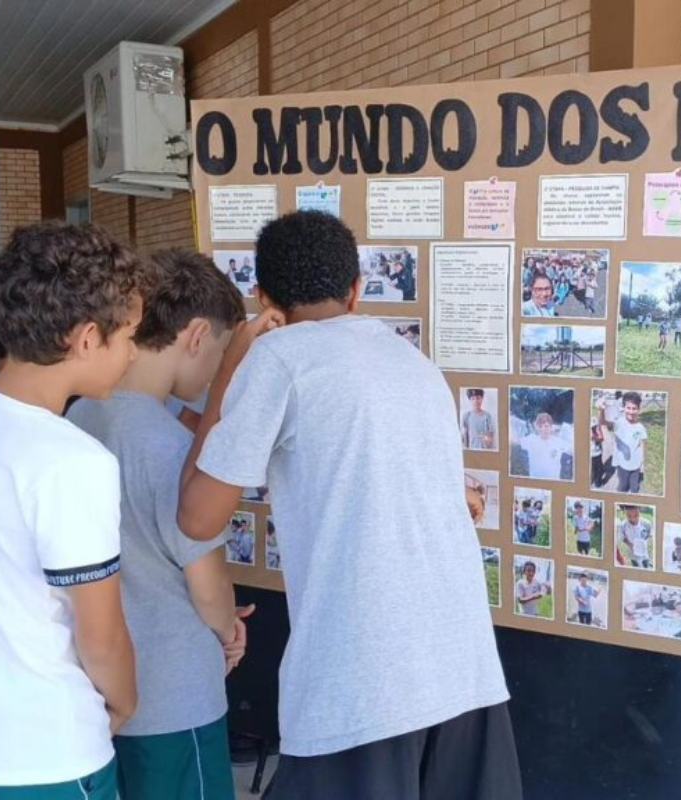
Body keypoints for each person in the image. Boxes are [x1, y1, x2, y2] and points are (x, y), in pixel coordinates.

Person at [174, 212, 518, 798]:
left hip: (364, 677)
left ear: (264, 298)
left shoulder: (279, 360)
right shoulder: (413, 364)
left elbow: (197, 517)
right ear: (356, 289)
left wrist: (228, 373)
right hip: (463, 668)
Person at [0, 222, 144, 798]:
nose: (132, 354)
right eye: (130, 337)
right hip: (46, 752)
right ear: (87, 338)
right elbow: (101, 637)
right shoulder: (72, 460)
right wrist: (124, 702)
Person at [66, 248, 250, 800]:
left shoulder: (78, 415)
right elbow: (209, 587)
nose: (216, 370)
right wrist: (229, 631)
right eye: (221, 352)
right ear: (197, 336)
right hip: (174, 692)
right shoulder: (174, 449)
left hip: (97, 687)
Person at [600, 391, 646, 494]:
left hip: (636, 466)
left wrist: (642, 461)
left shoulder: (641, 427)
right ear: (624, 408)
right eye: (628, 408)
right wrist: (602, 410)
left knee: (635, 488)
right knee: (623, 487)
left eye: (634, 408)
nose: (631, 411)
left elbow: (642, 444)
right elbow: (604, 423)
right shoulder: (619, 423)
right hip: (622, 465)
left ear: (638, 409)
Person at [519, 411, 570, 480]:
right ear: (537, 428)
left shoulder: (559, 442)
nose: (543, 429)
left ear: (551, 427)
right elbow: (514, 440)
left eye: (546, 426)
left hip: (553, 482)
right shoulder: (531, 440)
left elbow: (574, 448)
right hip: (535, 482)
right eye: (540, 426)